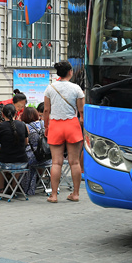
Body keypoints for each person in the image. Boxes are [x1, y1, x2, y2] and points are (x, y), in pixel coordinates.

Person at [43, 60, 85, 203]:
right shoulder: (76, 88)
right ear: (70, 72)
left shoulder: (50, 88)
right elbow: (81, 111)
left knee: (56, 162)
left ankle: (54, 195)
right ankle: (75, 194)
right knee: (74, 162)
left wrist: (46, 126)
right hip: (72, 125)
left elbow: (46, 110)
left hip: (55, 125)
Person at [0, 104, 29, 195]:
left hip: (5, 162)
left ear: (2, 114)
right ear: (16, 113)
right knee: (16, 162)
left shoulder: (1, 126)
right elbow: (26, 142)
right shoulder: (22, 125)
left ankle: (2, 188)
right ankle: (13, 187)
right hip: (23, 163)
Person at [22, 106, 50, 195]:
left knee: (24, 161)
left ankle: (27, 188)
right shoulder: (44, 123)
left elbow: (25, 142)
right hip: (48, 157)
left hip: (34, 158)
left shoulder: (26, 127)